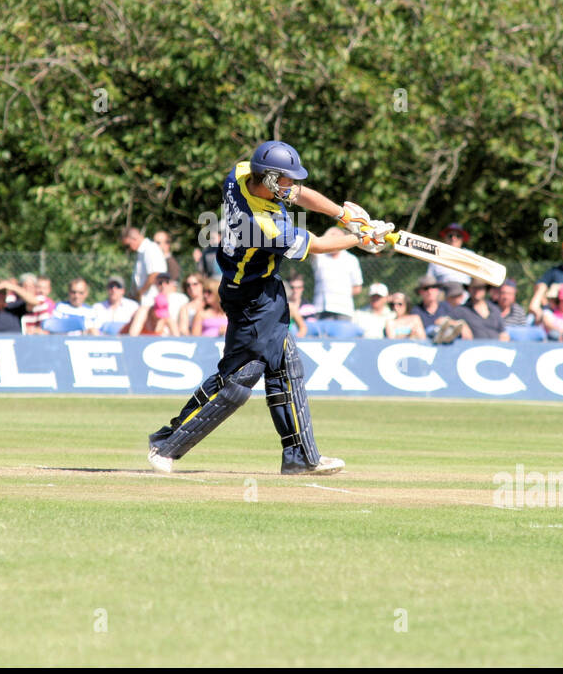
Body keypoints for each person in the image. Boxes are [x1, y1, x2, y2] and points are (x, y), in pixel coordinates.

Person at [147, 139, 393, 476]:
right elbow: (319, 245)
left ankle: (300, 456)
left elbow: (298, 195)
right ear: (271, 180)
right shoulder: (264, 226)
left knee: (286, 369)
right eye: (287, 180)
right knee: (238, 380)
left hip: (262, 290)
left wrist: (342, 214)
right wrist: (363, 238)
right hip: (250, 298)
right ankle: (168, 443)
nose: (292, 186)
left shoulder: (240, 176)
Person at [310, 227, 363, 319]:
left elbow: (357, 287)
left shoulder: (351, 259)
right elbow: (310, 245)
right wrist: (327, 236)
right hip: (321, 308)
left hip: (344, 310)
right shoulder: (320, 256)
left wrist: (341, 294)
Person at [122, 227, 168, 305]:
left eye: (128, 245)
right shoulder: (141, 252)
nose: (128, 249)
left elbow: (155, 274)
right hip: (144, 301)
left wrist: (140, 292)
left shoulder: (150, 249)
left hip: (152, 301)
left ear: (135, 238)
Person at [424, 222, 473, 287]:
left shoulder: (470, 255)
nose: (453, 238)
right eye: (450, 236)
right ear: (445, 238)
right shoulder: (436, 256)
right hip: (442, 292)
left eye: (458, 236)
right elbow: (429, 279)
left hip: (465, 292)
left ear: (462, 239)